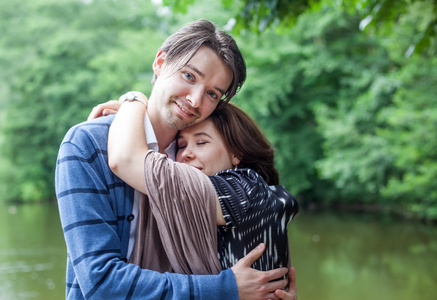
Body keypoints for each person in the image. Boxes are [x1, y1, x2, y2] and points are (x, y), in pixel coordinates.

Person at [55, 19, 291, 300]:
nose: (194, 100)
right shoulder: (88, 144)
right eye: (189, 76)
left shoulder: (203, 160)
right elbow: (101, 283)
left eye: (212, 93)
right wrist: (225, 288)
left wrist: (276, 290)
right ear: (160, 62)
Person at [104, 98, 299, 298]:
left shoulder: (242, 190)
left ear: (236, 153)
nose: (186, 154)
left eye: (201, 142)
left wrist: (133, 101)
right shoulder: (219, 202)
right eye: (181, 146)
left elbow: (125, 159)